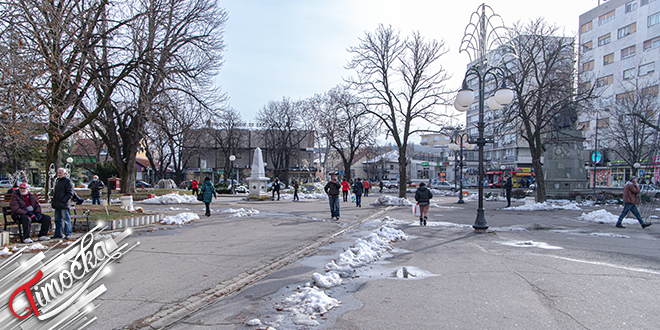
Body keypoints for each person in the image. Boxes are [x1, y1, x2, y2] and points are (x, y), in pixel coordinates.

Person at [51, 168, 74, 239]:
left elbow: (70, 193)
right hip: (57, 204)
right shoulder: (58, 181)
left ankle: (68, 233)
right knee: (57, 220)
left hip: (64, 204)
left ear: (64, 174)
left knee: (66, 219)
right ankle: (58, 233)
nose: (58, 174)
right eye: (58, 173)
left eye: (60, 173)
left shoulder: (68, 181)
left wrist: (63, 200)